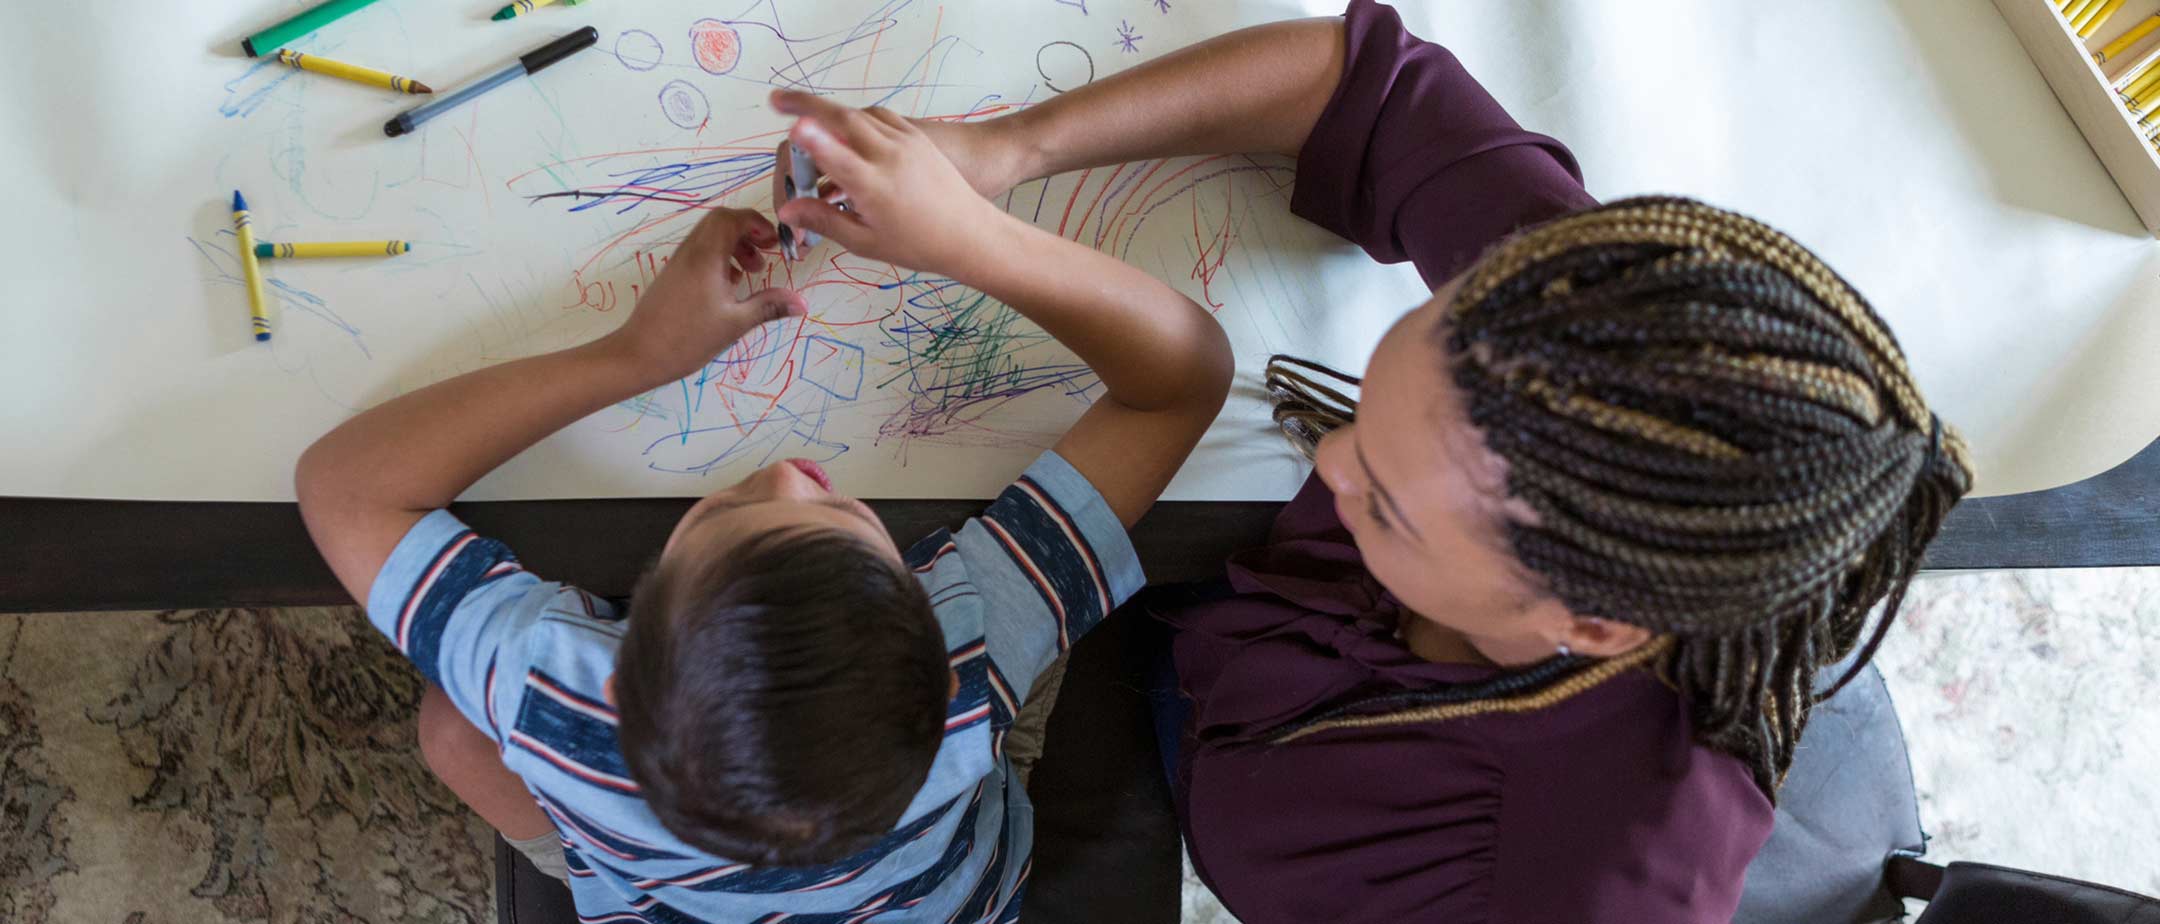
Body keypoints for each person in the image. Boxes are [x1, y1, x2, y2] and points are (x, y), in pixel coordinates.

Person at [902, 1, 1977, 920]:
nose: (1332, 459)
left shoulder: (1531, 877)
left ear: (1592, 627)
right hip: (1239, 652)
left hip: (1218, 735)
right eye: (1370, 404)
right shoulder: (1566, 343)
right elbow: (1365, 88)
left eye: (1390, 502)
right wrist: (1012, 151)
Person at [292, 91, 1231, 922]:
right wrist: (966, 237)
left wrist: (633, 357)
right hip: (948, 892)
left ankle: (605, 875)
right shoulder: (973, 652)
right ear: (945, 662)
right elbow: (1181, 379)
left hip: (655, 886)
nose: (788, 471)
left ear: (614, 662)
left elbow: (347, 487)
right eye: (841, 519)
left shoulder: (555, 697)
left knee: (453, 730)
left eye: (733, 516)